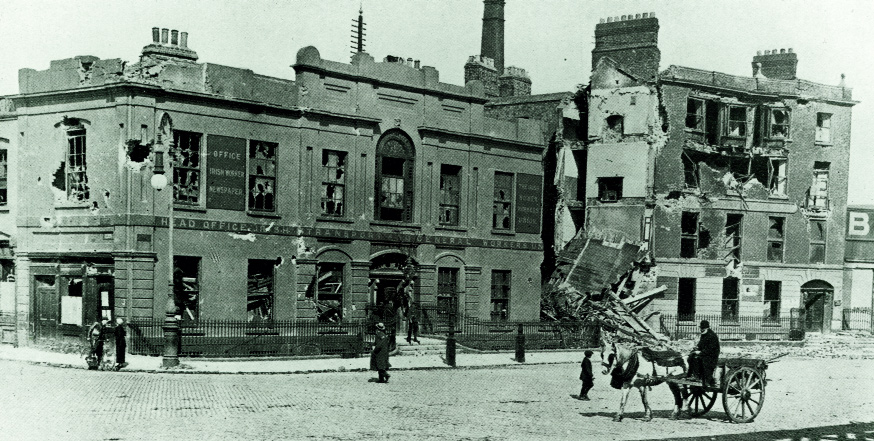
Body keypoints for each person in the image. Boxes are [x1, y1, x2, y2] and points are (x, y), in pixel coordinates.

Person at [687, 320, 720, 386]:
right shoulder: (704, 334)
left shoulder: (712, 336)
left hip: (711, 356)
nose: (701, 330)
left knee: (698, 359)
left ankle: (702, 378)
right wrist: (696, 348)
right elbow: (700, 344)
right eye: (701, 328)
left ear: (707, 328)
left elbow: (711, 349)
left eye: (703, 328)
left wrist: (700, 352)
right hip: (705, 353)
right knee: (691, 357)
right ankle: (692, 374)